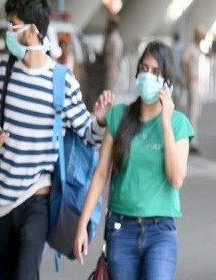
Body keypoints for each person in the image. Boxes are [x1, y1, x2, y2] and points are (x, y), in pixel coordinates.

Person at [0, 0, 114, 280]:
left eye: (13, 25)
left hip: (38, 198)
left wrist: (100, 121)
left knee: (26, 275)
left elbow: (89, 135)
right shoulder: (6, 70)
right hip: (2, 197)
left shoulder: (61, 81)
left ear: (32, 30)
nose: (9, 31)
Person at [74, 40, 194, 280]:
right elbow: (100, 174)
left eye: (156, 72)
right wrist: (82, 226)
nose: (148, 76)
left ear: (167, 82)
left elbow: (176, 178)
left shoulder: (178, 124)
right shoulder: (119, 116)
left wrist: (165, 122)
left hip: (160, 233)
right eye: (144, 69)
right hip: (121, 230)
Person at [181, 26, 205, 154]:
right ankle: (191, 141)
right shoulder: (191, 48)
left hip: (195, 81)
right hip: (192, 82)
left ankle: (192, 139)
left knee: (195, 111)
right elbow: (183, 61)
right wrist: (187, 76)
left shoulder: (196, 48)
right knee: (193, 111)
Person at [102, 16, 124, 93]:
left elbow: (105, 51)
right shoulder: (117, 37)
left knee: (109, 92)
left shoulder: (112, 38)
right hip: (115, 68)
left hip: (111, 69)